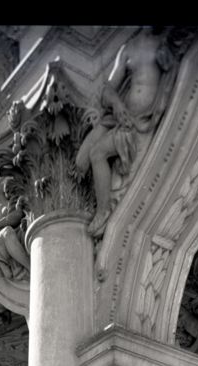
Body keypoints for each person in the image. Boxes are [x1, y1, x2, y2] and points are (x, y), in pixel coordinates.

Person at [73, 26, 176, 236]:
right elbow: (108, 89)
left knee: (98, 153)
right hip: (124, 116)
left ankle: (102, 211)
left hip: (143, 118)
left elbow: (171, 71)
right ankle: (81, 180)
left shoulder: (163, 43)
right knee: (84, 155)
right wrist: (118, 105)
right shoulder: (128, 49)